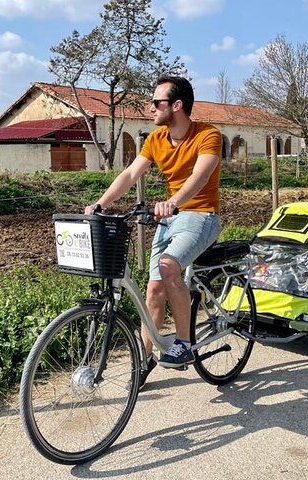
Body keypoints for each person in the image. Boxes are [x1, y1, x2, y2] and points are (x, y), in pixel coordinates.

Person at [84, 75, 222, 388]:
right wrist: (101, 204)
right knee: (153, 289)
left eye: (156, 102)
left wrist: (173, 202)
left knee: (167, 266)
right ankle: (145, 360)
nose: (150, 108)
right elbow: (131, 173)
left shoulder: (208, 135)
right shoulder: (156, 139)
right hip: (172, 217)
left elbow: (200, 177)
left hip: (201, 215)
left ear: (177, 105)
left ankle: (184, 343)